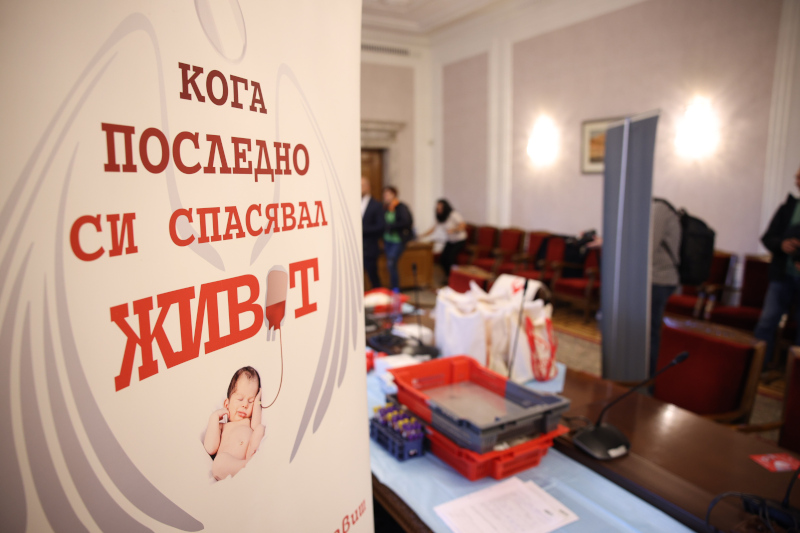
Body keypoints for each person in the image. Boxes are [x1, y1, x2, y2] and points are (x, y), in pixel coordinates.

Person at [754, 166, 800, 367]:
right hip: (782, 276)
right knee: (767, 321)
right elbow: (768, 237)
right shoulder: (788, 207)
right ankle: (758, 368)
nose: (796, 181)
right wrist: (782, 245)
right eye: (796, 177)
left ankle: (795, 375)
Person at [204, 366, 266, 481]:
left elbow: (257, 425)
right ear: (226, 404)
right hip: (227, 467)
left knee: (260, 429)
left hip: (248, 457)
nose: (245, 405)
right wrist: (214, 418)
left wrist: (258, 400)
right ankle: (246, 466)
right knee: (219, 462)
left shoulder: (249, 422)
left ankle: (250, 463)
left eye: (250, 401)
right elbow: (210, 448)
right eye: (240, 399)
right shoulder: (222, 426)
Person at [650, 198, 682, 378]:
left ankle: (648, 378)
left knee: (649, 333)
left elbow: (647, 246)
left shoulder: (658, 209)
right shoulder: (649, 209)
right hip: (651, 280)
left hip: (658, 280)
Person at [419, 199, 467, 281]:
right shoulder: (440, 217)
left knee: (450, 258)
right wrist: (421, 235)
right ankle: (448, 276)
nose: (439, 210)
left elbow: (463, 225)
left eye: (441, 208)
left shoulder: (453, 214)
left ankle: (454, 278)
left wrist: (454, 230)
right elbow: (432, 229)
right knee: (442, 258)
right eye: (438, 209)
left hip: (459, 240)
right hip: (450, 240)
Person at [382, 186, 413, 290]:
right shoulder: (386, 208)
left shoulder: (400, 207)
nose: (385, 196)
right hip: (387, 240)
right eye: (385, 194)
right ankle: (392, 287)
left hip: (398, 240)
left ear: (394, 194)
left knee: (391, 263)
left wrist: (391, 226)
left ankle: (395, 289)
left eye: (388, 194)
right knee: (390, 264)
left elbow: (406, 222)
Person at [361, 177, 384, 289]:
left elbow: (380, 226)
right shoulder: (353, 203)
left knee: (373, 277)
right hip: (356, 249)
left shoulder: (376, 205)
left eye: (362, 185)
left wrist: (362, 230)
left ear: (368, 187)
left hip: (370, 247)